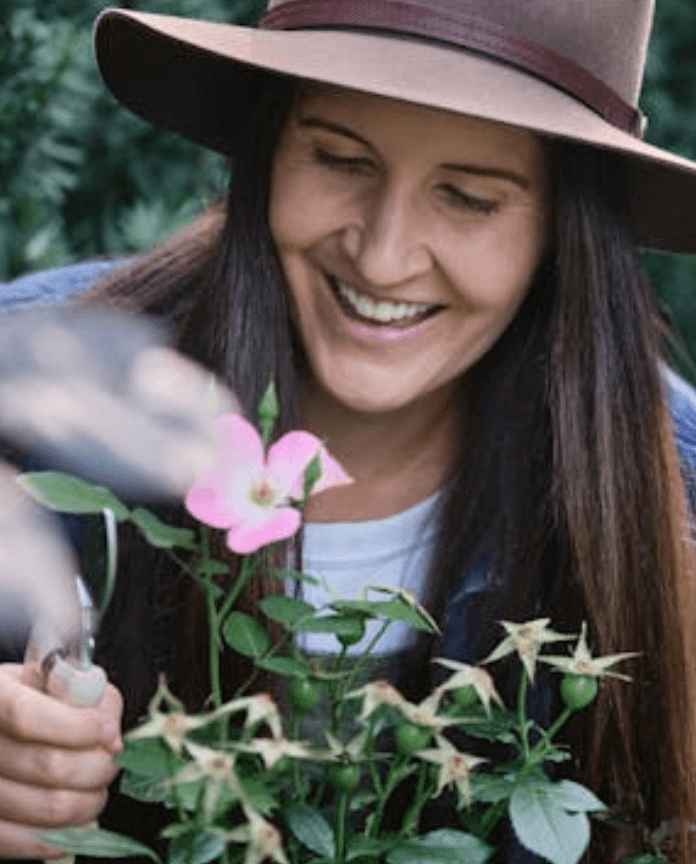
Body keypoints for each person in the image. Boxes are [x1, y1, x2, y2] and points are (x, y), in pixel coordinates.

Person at [1, 0, 696, 861]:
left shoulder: (673, 490)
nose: (382, 255)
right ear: (269, 147)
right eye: (338, 157)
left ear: (563, 225)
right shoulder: (31, 393)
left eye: (469, 197)